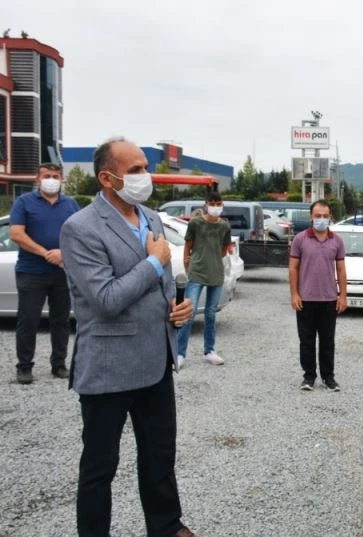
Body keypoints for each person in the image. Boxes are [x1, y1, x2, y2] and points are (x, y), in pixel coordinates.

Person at [60, 138, 197, 537]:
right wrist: (156, 262)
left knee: (159, 456)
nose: (145, 176)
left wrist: (178, 309)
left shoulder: (151, 219)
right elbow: (105, 299)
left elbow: (164, 286)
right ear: (107, 177)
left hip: (156, 362)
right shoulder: (80, 228)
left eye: (144, 167)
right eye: (135, 169)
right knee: (99, 467)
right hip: (108, 366)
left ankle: (167, 526)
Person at [9, 163, 80, 384]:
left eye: (56, 176)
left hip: (62, 271)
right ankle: (24, 367)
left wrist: (62, 253)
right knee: (28, 320)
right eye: (47, 176)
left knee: (61, 321)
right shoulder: (24, 202)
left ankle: (59, 364)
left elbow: (79, 233)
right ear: (37, 180)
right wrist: (45, 253)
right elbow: (16, 234)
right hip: (31, 272)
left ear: (62, 179)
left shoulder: (71, 204)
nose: (51, 179)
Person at [289, 199, 347, 391]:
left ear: (330, 217)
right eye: (317, 216)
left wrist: (343, 296)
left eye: (325, 216)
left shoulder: (336, 241)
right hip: (305, 300)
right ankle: (308, 377)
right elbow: (293, 268)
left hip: (329, 300)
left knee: (327, 341)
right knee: (306, 341)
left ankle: (329, 378)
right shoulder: (300, 239)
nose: (321, 219)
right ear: (311, 217)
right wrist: (294, 294)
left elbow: (341, 270)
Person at [176, 192, 232, 369]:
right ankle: (179, 353)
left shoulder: (224, 226)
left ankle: (209, 350)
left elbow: (223, 250)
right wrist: (188, 266)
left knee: (210, 313)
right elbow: (188, 247)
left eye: (218, 203)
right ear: (206, 204)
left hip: (215, 273)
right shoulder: (196, 223)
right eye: (212, 203)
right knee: (189, 314)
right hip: (197, 272)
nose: (215, 206)